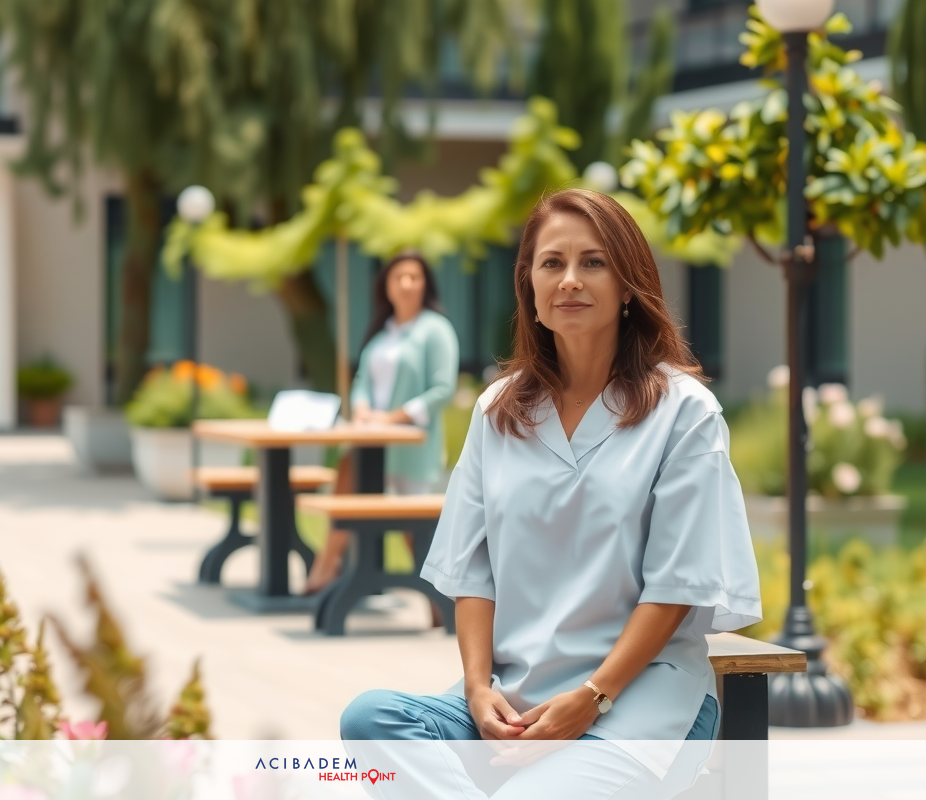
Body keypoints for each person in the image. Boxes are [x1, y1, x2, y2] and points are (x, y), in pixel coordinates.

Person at [339, 189, 761, 799]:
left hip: (641, 702)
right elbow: (472, 571)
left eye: (593, 262)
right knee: (371, 720)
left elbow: (678, 587)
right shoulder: (499, 409)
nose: (570, 280)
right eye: (551, 263)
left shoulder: (684, 413)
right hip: (516, 698)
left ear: (628, 286)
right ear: (530, 290)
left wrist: (590, 700)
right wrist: (480, 691)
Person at [304, 250, 459, 594]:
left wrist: (392, 417)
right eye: (398, 277)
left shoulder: (435, 330)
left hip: (410, 447)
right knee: (349, 468)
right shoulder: (382, 333)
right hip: (371, 440)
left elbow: (442, 390)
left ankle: (439, 600)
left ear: (425, 285)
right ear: (386, 286)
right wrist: (360, 408)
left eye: (414, 277)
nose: (406, 284)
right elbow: (361, 380)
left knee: (412, 529)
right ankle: (328, 565)